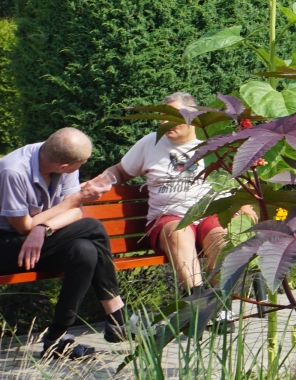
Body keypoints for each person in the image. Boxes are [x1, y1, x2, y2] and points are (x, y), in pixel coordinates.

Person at [0, 128, 126, 359]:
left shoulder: (61, 160)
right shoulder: (14, 172)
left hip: (29, 244)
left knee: (84, 251)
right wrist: (72, 201)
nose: (82, 167)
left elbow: (75, 213)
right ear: (63, 166)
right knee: (93, 227)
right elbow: (23, 227)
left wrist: (42, 227)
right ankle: (117, 315)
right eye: (81, 163)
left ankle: (55, 339)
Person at [80, 92, 233, 296]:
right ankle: (196, 301)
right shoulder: (150, 143)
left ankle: (221, 301)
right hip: (169, 218)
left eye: (173, 116)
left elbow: (235, 180)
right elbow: (120, 171)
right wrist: (101, 182)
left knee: (221, 237)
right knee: (178, 233)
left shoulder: (212, 142)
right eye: (162, 118)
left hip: (208, 214)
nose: (165, 123)